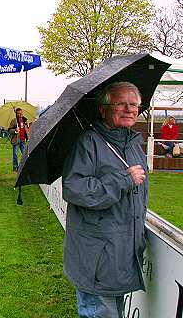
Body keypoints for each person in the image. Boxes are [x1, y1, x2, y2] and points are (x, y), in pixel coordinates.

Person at [62, 82, 149, 318]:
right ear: (103, 109)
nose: (130, 109)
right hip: (97, 255)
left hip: (122, 253)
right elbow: (74, 188)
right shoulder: (88, 142)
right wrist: (122, 179)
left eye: (134, 104)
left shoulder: (133, 144)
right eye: (121, 104)